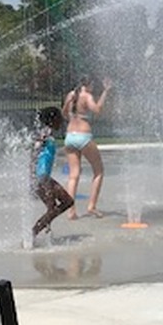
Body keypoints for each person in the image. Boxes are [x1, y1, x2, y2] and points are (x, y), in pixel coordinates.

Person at [62, 76, 111, 219]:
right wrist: (105, 92)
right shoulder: (87, 96)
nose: (93, 88)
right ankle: (92, 206)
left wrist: (71, 110)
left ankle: (71, 211)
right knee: (99, 171)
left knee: (73, 175)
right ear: (89, 84)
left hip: (69, 136)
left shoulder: (71, 95)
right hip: (83, 136)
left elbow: (64, 113)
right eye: (93, 85)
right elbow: (97, 110)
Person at [31, 107, 74, 238]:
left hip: (42, 177)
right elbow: (34, 154)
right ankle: (32, 234)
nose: (61, 122)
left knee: (52, 208)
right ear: (53, 120)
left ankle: (38, 231)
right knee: (67, 201)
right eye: (59, 119)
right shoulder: (44, 134)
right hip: (42, 178)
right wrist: (32, 178)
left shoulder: (47, 133)